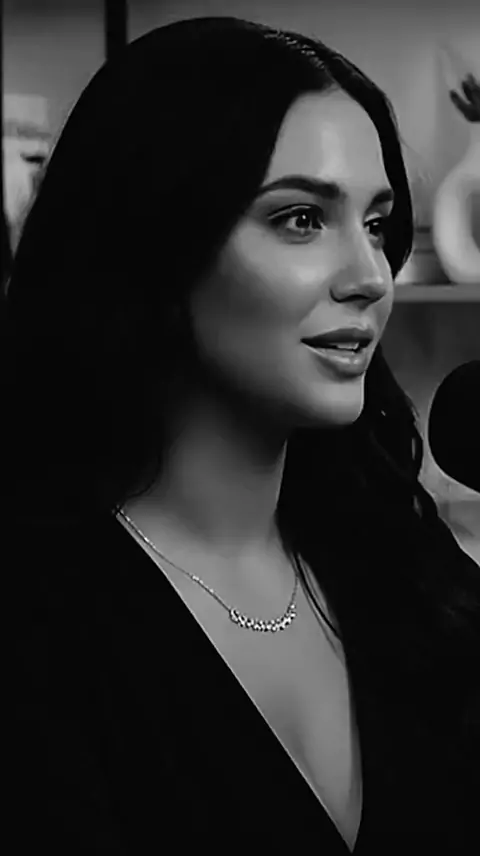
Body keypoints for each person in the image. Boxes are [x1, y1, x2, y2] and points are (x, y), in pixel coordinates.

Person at [4, 16, 479, 855]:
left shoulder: (399, 556)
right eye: (300, 218)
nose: (371, 277)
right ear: (154, 241)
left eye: (376, 224)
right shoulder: (37, 620)